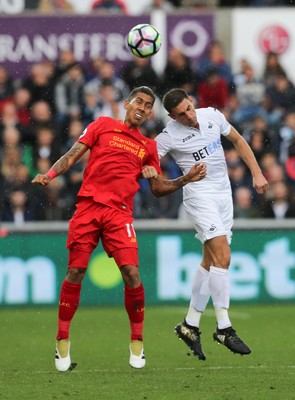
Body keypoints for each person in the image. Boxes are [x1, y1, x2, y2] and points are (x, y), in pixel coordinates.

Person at [31, 86, 206, 372]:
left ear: (150, 112)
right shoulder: (102, 126)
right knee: (75, 272)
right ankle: (62, 338)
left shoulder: (148, 147)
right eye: (139, 101)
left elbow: (159, 188)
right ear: (126, 103)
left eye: (149, 105)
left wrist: (183, 179)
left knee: (132, 273)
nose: (143, 107)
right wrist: (50, 174)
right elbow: (73, 154)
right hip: (88, 207)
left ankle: (137, 340)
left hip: (119, 214)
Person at [155, 88, 268, 360]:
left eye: (189, 108)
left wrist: (257, 173)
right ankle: (224, 328)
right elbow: (148, 170)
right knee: (224, 257)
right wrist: (181, 179)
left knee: (210, 262)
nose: (189, 115)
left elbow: (239, 141)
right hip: (198, 196)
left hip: (223, 194)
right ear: (172, 116)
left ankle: (190, 325)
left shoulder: (212, 116)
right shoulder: (167, 136)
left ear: (192, 102)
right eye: (181, 114)